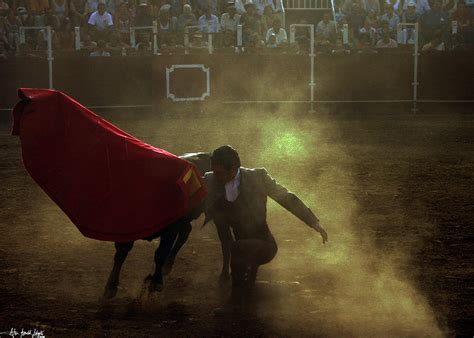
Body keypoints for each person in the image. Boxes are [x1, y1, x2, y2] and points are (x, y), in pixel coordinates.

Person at [203, 145, 328, 290]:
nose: (216, 176)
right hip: (243, 249)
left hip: (265, 246)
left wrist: (313, 221)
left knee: (236, 247)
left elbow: (286, 197)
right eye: (214, 171)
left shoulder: (258, 178)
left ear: (234, 168)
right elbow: (190, 189)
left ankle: (237, 299)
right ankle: (247, 286)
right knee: (238, 248)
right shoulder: (211, 179)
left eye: (219, 172)